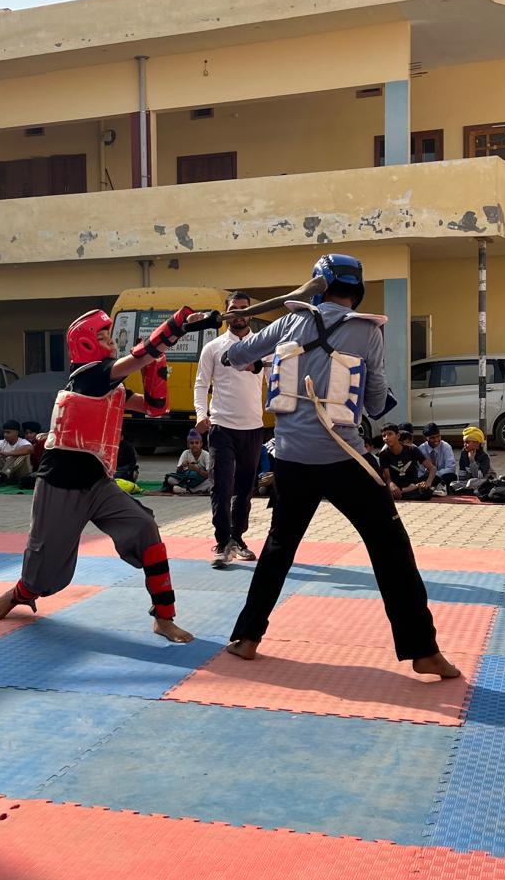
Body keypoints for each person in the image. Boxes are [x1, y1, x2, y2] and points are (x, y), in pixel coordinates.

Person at [218, 253, 459, 677]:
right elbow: (375, 404)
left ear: (317, 284)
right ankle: (422, 650)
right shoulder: (367, 331)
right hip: (343, 458)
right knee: (391, 548)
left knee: (279, 546)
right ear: (357, 290)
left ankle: (247, 638)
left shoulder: (289, 322)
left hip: (290, 460)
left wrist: (257, 350)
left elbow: (235, 356)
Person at [0, 305, 214, 643]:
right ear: (87, 345)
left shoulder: (110, 385)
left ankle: (164, 618)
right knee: (45, 566)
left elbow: (155, 408)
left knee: (145, 528)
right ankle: (22, 592)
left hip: (98, 482)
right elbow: (139, 356)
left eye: (110, 336)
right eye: (104, 336)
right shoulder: (89, 376)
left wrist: (157, 369)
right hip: (60, 483)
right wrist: (178, 326)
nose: (112, 342)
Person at [195, 290, 267, 569]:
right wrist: (201, 414)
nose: (239, 314)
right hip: (222, 426)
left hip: (254, 427)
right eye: (234, 309)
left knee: (245, 488)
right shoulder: (213, 348)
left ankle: (238, 538)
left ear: (250, 312)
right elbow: (201, 384)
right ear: (226, 312)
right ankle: (222, 541)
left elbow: (275, 377)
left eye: (244, 308)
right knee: (221, 486)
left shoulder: (262, 345)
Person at [378, 424, 434, 501]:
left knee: (427, 491)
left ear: (398, 436)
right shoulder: (383, 454)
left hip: (412, 484)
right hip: (397, 487)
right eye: (384, 436)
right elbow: (388, 478)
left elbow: (432, 468)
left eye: (390, 434)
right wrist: (391, 485)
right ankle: (404, 492)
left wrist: (428, 483)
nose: (386, 438)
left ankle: (404, 493)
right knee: (384, 492)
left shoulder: (412, 450)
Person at [0, 421, 33, 487]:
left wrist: (8, 454)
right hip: (6, 472)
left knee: (21, 454)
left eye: (8, 432)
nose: (5, 435)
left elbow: (29, 449)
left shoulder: (23, 442)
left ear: (16, 433)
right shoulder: (2, 442)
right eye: (4, 432)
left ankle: (2, 476)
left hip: (20, 474)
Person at [163, 429, 214, 495]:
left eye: (197, 443)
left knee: (212, 481)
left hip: (201, 480)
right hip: (188, 479)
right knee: (170, 479)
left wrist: (197, 470)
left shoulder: (206, 455)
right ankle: (192, 490)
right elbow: (178, 472)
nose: (194, 445)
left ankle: (187, 490)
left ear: (201, 444)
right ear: (188, 445)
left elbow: (209, 475)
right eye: (192, 443)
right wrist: (182, 466)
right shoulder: (185, 453)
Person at [420, 423, 457, 496]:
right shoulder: (421, 449)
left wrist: (434, 474)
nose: (436, 440)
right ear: (425, 438)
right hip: (428, 478)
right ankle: (434, 488)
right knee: (420, 479)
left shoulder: (446, 447)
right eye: (432, 438)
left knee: (451, 476)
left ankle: (437, 487)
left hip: (441, 476)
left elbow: (451, 468)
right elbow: (419, 471)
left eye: (438, 436)